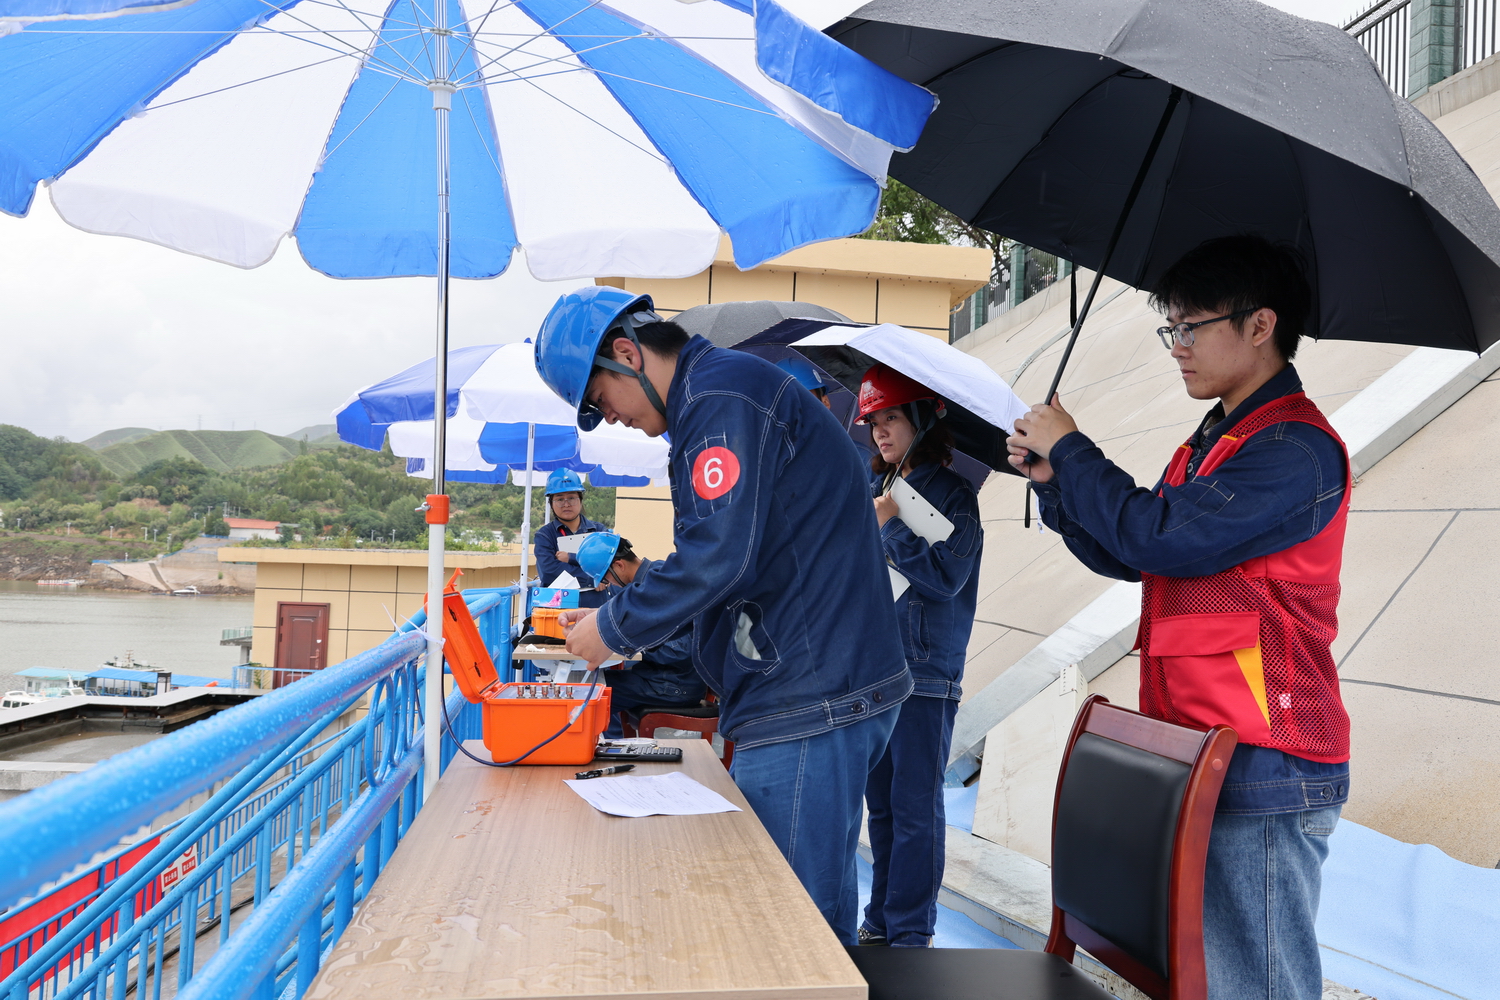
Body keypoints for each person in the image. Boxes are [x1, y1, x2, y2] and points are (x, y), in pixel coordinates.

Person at [1006, 235, 1350, 1000]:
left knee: (1257, 985)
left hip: (1267, 757)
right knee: (1215, 979)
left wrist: (1074, 450)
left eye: (1192, 327)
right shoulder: (1214, 444)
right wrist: (1058, 483)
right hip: (1206, 747)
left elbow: (1156, 535)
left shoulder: (1294, 449)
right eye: (1173, 329)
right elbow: (1135, 554)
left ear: (1259, 326)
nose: (1178, 347)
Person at [534, 285, 910, 943]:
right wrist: (624, 613)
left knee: (790, 931)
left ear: (628, 354)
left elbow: (716, 556)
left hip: (810, 690)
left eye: (601, 398)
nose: (610, 417)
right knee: (815, 919)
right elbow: (726, 553)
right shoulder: (715, 397)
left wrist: (613, 630)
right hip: (812, 679)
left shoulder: (720, 398)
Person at [855, 365, 983, 949]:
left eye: (891, 418)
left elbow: (945, 576)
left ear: (922, 420)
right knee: (881, 808)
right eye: (873, 422)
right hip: (876, 668)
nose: (880, 431)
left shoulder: (955, 494)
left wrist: (886, 527)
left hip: (926, 673)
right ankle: (881, 920)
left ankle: (910, 934)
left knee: (913, 808)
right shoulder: (875, 489)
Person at [574, 531, 707, 737]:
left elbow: (681, 651)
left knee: (590, 693)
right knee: (589, 684)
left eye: (606, 578)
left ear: (619, 565)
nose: (610, 583)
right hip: (659, 677)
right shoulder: (648, 582)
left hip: (674, 685)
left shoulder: (660, 585)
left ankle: (589, 748)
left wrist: (627, 639)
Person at [532, 468, 609, 609]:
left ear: (581, 500)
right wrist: (593, 579)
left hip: (595, 608)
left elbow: (607, 565)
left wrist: (571, 558)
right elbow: (550, 571)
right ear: (551, 503)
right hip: (559, 609)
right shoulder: (544, 536)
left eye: (572, 498)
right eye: (560, 499)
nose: (566, 504)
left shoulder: (599, 531)